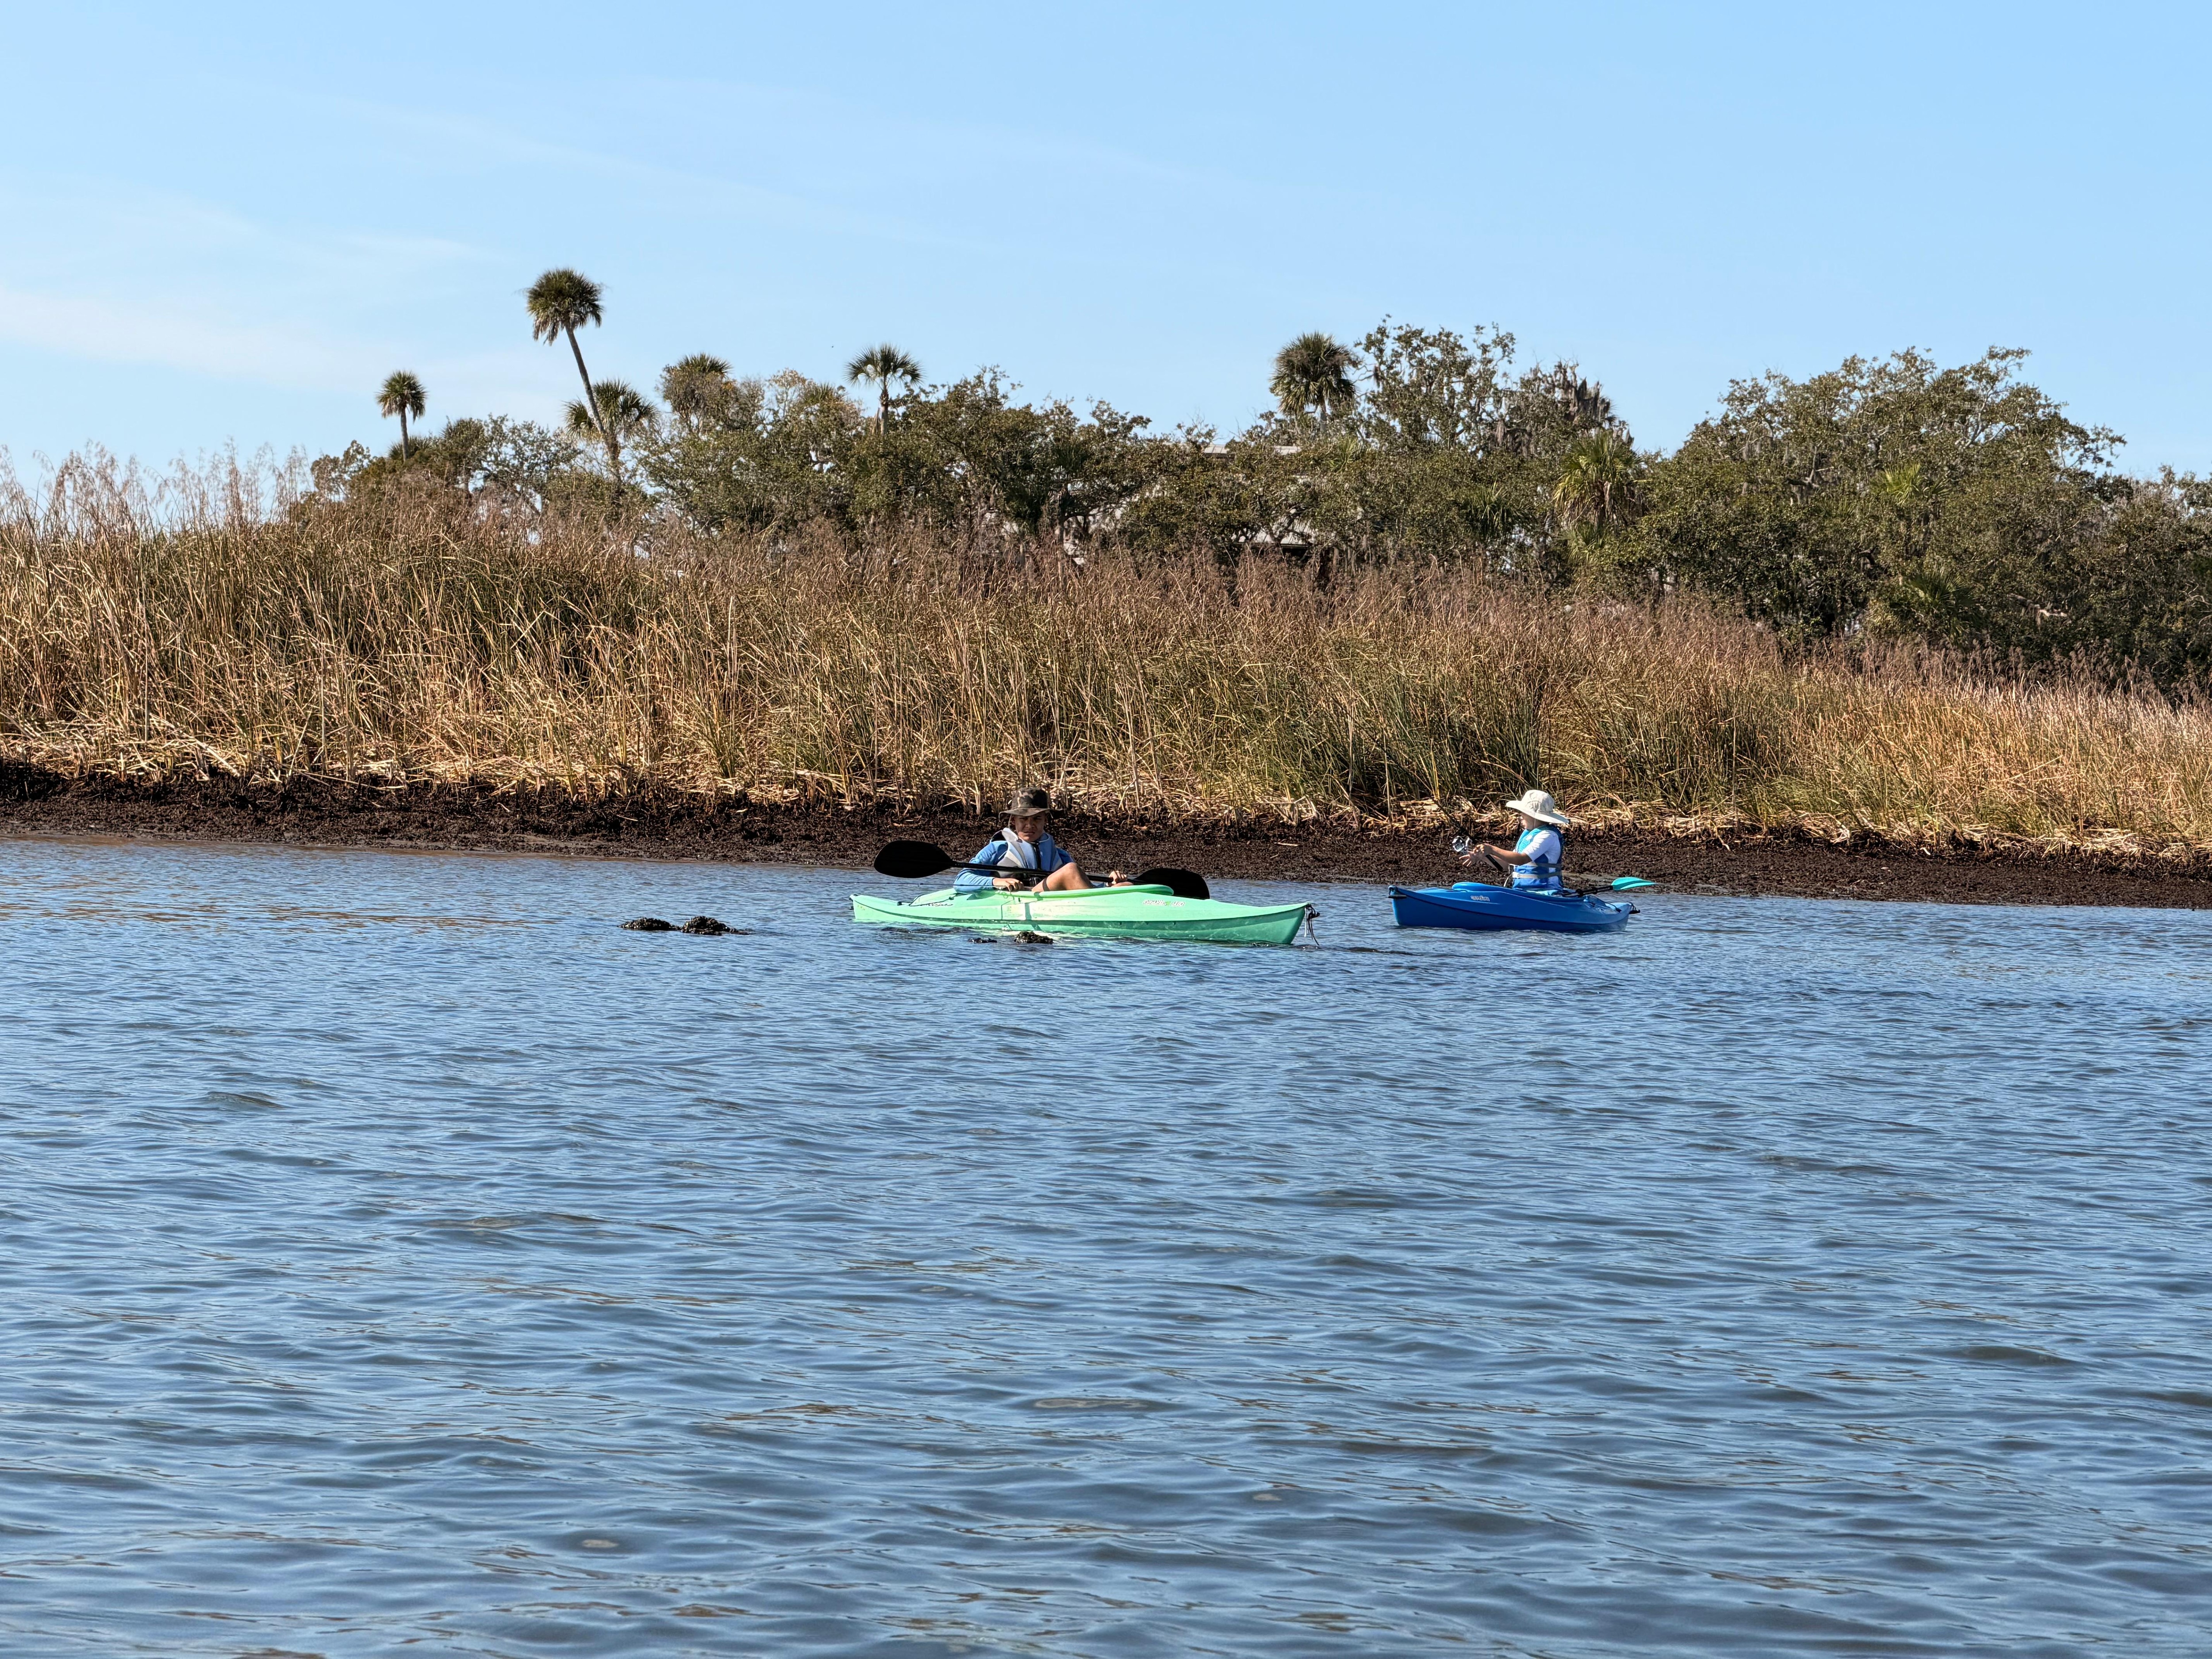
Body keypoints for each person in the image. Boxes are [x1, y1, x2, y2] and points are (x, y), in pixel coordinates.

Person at [952, 788, 1120, 895]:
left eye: (1037, 819)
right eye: (1023, 820)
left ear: (1045, 820)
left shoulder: (1059, 855)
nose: (1030, 826)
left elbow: (1082, 886)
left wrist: (1108, 883)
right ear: (1013, 821)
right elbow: (961, 881)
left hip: (1050, 900)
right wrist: (997, 882)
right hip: (1022, 899)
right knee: (1071, 870)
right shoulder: (999, 848)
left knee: (1124, 885)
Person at [1462, 789, 1571, 891]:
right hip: (1523, 892)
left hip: (1544, 892)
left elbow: (1521, 860)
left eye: (1524, 813)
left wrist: (1491, 849)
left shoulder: (1548, 836)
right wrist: (1483, 856)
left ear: (1535, 817)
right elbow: (1506, 865)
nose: (1521, 816)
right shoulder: (1529, 835)